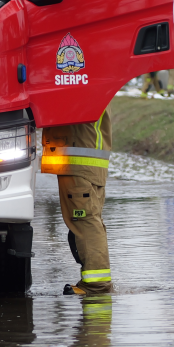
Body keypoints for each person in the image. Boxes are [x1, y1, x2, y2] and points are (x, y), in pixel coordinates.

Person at [41, 111, 113, 295]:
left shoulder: (81, 82)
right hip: (84, 162)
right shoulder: (94, 82)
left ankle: (96, 285)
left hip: (78, 161)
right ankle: (96, 283)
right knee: (88, 219)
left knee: (85, 221)